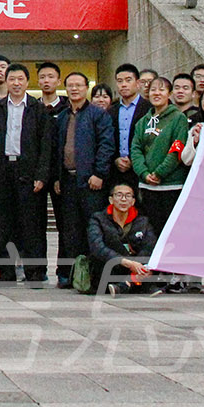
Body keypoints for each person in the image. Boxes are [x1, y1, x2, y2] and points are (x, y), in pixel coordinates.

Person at [0, 64, 52, 284]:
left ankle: (35, 271)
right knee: (3, 224)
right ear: (6, 81)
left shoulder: (38, 108)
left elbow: (46, 145)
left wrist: (41, 175)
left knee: (33, 224)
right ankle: (6, 271)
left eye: (20, 79)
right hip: (3, 170)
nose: (16, 83)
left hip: (29, 171)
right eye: (12, 79)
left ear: (27, 82)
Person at [50, 70, 115, 287]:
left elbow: (106, 145)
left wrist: (99, 173)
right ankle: (68, 274)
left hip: (91, 182)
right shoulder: (62, 116)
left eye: (79, 85)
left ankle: (93, 275)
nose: (74, 89)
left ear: (86, 88)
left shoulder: (98, 115)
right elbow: (57, 150)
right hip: (67, 182)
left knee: (92, 228)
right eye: (70, 85)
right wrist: (57, 177)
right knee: (69, 230)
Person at [131, 75, 190, 234]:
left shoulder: (178, 118)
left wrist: (159, 173)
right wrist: (144, 173)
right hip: (147, 186)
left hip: (171, 185)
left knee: (171, 231)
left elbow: (177, 148)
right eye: (153, 90)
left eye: (161, 90)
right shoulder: (143, 122)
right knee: (151, 231)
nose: (157, 93)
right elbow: (136, 149)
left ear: (169, 94)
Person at [80, 182, 158, 295]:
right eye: (119, 195)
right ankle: (138, 283)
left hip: (135, 266)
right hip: (111, 266)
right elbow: (97, 247)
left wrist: (136, 264)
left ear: (133, 201)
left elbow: (150, 245)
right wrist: (128, 263)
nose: (123, 199)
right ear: (111, 199)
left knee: (150, 257)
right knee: (111, 245)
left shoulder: (143, 221)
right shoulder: (98, 219)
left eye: (128, 196)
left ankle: (126, 284)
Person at [108, 63, 146, 190]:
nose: (123, 84)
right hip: (115, 170)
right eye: (120, 81)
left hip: (141, 169)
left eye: (128, 80)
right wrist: (115, 159)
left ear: (138, 83)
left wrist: (133, 160)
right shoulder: (111, 111)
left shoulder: (148, 109)